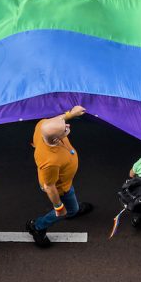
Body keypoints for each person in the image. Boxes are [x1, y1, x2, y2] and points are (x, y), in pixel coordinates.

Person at [26, 105, 94, 247]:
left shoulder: (43, 126)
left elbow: (55, 121)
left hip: (65, 179)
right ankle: (37, 226)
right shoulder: (50, 162)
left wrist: (70, 114)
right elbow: (49, 186)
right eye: (65, 129)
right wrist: (58, 207)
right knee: (66, 210)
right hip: (61, 187)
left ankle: (72, 208)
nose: (67, 126)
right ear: (56, 139)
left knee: (71, 201)